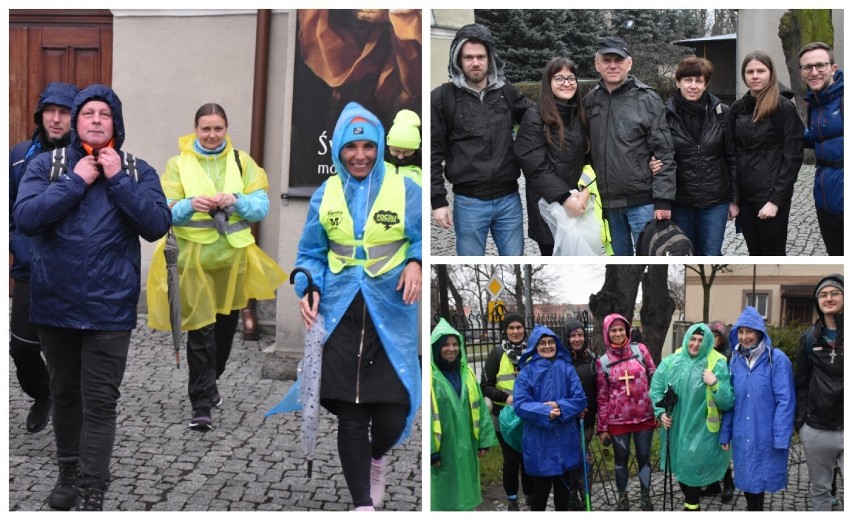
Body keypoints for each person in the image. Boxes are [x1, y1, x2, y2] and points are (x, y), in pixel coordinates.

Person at [13, 84, 172, 510]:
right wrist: (76, 182)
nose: (96, 119)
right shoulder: (48, 166)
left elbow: (157, 224)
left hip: (109, 307)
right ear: (76, 122)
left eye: (104, 113)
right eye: (88, 113)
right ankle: (67, 470)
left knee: (101, 400)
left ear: (116, 123)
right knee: (64, 392)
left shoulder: (138, 171)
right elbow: (25, 218)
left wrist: (117, 179)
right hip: (55, 304)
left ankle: (91, 487)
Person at [295, 101, 422, 511]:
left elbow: (420, 239)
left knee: (393, 412)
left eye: (368, 145)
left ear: (381, 146)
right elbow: (310, 252)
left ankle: (376, 456)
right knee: (351, 413)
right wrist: (308, 285)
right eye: (351, 147)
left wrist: (418, 262)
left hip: (391, 313)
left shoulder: (407, 190)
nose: (360, 155)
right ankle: (361, 504)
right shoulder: (325, 193)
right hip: (341, 314)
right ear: (338, 151)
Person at [146, 103, 287, 431]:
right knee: (200, 332)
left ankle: (211, 381)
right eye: (205, 129)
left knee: (224, 334)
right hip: (192, 262)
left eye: (217, 129)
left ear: (226, 129)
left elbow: (261, 206)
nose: (211, 135)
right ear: (195, 129)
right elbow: (165, 209)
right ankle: (201, 404)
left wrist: (236, 200)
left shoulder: (242, 162)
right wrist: (189, 205)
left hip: (232, 262)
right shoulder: (178, 164)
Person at [9, 81, 79, 434]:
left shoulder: (85, 159)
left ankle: (72, 430)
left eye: (64, 112)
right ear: (40, 116)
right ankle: (42, 393)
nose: (56, 119)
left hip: (69, 272)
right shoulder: (19, 156)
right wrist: (16, 244)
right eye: (50, 112)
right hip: (27, 268)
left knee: (65, 353)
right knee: (21, 348)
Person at [431, 23, 531, 256]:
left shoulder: (506, 92)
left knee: (516, 260)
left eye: (480, 57)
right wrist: (438, 201)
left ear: (490, 59)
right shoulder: (442, 98)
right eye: (468, 57)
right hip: (469, 203)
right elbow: (433, 152)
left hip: (509, 200)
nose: (475, 63)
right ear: (458, 59)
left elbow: (535, 117)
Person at [583, 36, 676, 256]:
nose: (612, 65)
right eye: (606, 60)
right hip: (607, 203)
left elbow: (664, 151)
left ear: (629, 63)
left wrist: (663, 199)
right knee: (619, 263)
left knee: (649, 258)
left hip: (641, 201)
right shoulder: (589, 101)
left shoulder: (648, 99)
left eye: (618, 59)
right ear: (597, 65)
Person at [514, 57, 611, 256]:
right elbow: (535, 167)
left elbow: (587, 159)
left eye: (571, 78)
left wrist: (584, 192)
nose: (566, 83)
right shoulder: (534, 117)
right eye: (559, 78)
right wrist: (565, 198)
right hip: (548, 207)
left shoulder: (578, 115)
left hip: (579, 205)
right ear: (548, 83)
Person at [651, 57, 738, 256]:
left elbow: (731, 156)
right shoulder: (666, 115)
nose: (693, 86)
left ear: (706, 84)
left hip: (715, 201)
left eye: (698, 81)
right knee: (684, 255)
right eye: (687, 80)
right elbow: (659, 153)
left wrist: (734, 199)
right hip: (681, 202)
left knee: (710, 254)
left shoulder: (721, 113)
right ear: (677, 82)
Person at [650, 323, 733, 511]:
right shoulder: (672, 361)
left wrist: (715, 384)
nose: (696, 344)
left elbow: (727, 401)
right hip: (676, 426)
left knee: (693, 467)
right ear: (687, 338)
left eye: (701, 340)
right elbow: (656, 389)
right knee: (681, 468)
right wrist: (661, 413)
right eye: (693, 339)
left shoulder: (717, 362)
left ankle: (692, 507)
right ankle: (692, 505)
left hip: (702, 429)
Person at [719, 306, 795, 511]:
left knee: (761, 478)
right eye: (741, 332)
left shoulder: (777, 360)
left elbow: (785, 401)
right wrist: (725, 433)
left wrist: (780, 436)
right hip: (742, 432)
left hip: (765, 433)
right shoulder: (735, 361)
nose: (745, 337)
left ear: (760, 332)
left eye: (749, 331)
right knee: (746, 477)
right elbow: (731, 400)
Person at [729, 51, 805, 256]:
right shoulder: (738, 108)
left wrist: (775, 201)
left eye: (761, 71)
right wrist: (734, 199)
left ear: (771, 74)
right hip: (745, 199)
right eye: (750, 71)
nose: (755, 75)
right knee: (754, 253)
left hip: (770, 197)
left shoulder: (783, 107)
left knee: (772, 253)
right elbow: (731, 154)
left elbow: (793, 157)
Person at [513, 325, 587, 511]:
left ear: (557, 344)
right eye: (542, 343)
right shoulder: (527, 372)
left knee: (563, 490)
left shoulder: (567, 368)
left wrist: (559, 406)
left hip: (565, 437)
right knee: (540, 491)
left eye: (551, 342)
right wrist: (545, 412)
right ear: (534, 346)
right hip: (540, 440)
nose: (547, 346)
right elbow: (520, 404)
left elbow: (580, 399)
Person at [430, 318, 498, 511]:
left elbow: (479, 407)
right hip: (442, 447)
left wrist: (483, 439)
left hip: (467, 444)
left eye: (455, 344)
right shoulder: (429, 375)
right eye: (445, 345)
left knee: (466, 491)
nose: (451, 349)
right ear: (436, 347)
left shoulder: (467, 372)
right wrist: (431, 451)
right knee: (443, 493)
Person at [595, 313, 657, 510]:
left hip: (644, 417)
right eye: (613, 330)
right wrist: (602, 427)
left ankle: (645, 496)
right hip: (618, 422)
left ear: (627, 330)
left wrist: (660, 409)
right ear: (607, 333)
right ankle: (623, 497)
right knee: (620, 461)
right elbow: (603, 396)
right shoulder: (603, 362)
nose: (618, 333)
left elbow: (655, 379)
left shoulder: (641, 351)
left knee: (644, 458)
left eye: (621, 329)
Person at [795, 274, 843, 510]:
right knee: (821, 491)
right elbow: (801, 381)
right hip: (816, 427)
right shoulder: (808, 338)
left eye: (835, 293)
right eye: (823, 294)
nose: (829, 298)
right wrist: (801, 423)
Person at [480, 312, 532, 510]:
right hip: (503, 418)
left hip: (528, 416)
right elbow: (485, 385)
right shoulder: (497, 354)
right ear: (505, 331)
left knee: (528, 457)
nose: (516, 331)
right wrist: (506, 398)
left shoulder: (532, 352)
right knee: (511, 460)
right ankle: (512, 499)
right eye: (511, 328)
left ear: (524, 330)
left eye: (519, 327)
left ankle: (529, 493)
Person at [798, 42, 843, 256]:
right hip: (824, 199)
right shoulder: (815, 104)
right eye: (807, 67)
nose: (814, 72)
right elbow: (818, 139)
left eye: (820, 65)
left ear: (832, 68)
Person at [562, 317, 597, 510]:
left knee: (584, 461)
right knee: (573, 460)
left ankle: (586, 498)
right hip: (568, 421)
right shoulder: (560, 359)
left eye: (580, 334)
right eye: (573, 335)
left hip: (588, 421)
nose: (577, 339)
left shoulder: (590, 358)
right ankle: (571, 496)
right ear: (566, 337)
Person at [706, 319, 735, 502]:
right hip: (708, 406)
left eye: (717, 335)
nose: (714, 338)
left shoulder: (729, 355)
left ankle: (727, 482)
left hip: (724, 403)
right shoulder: (705, 352)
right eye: (711, 335)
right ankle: (712, 482)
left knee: (723, 446)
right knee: (709, 446)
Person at [384, 108, 422, 185]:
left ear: (415, 149)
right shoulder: (376, 165)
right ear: (388, 146)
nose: (400, 157)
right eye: (396, 151)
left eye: (407, 152)